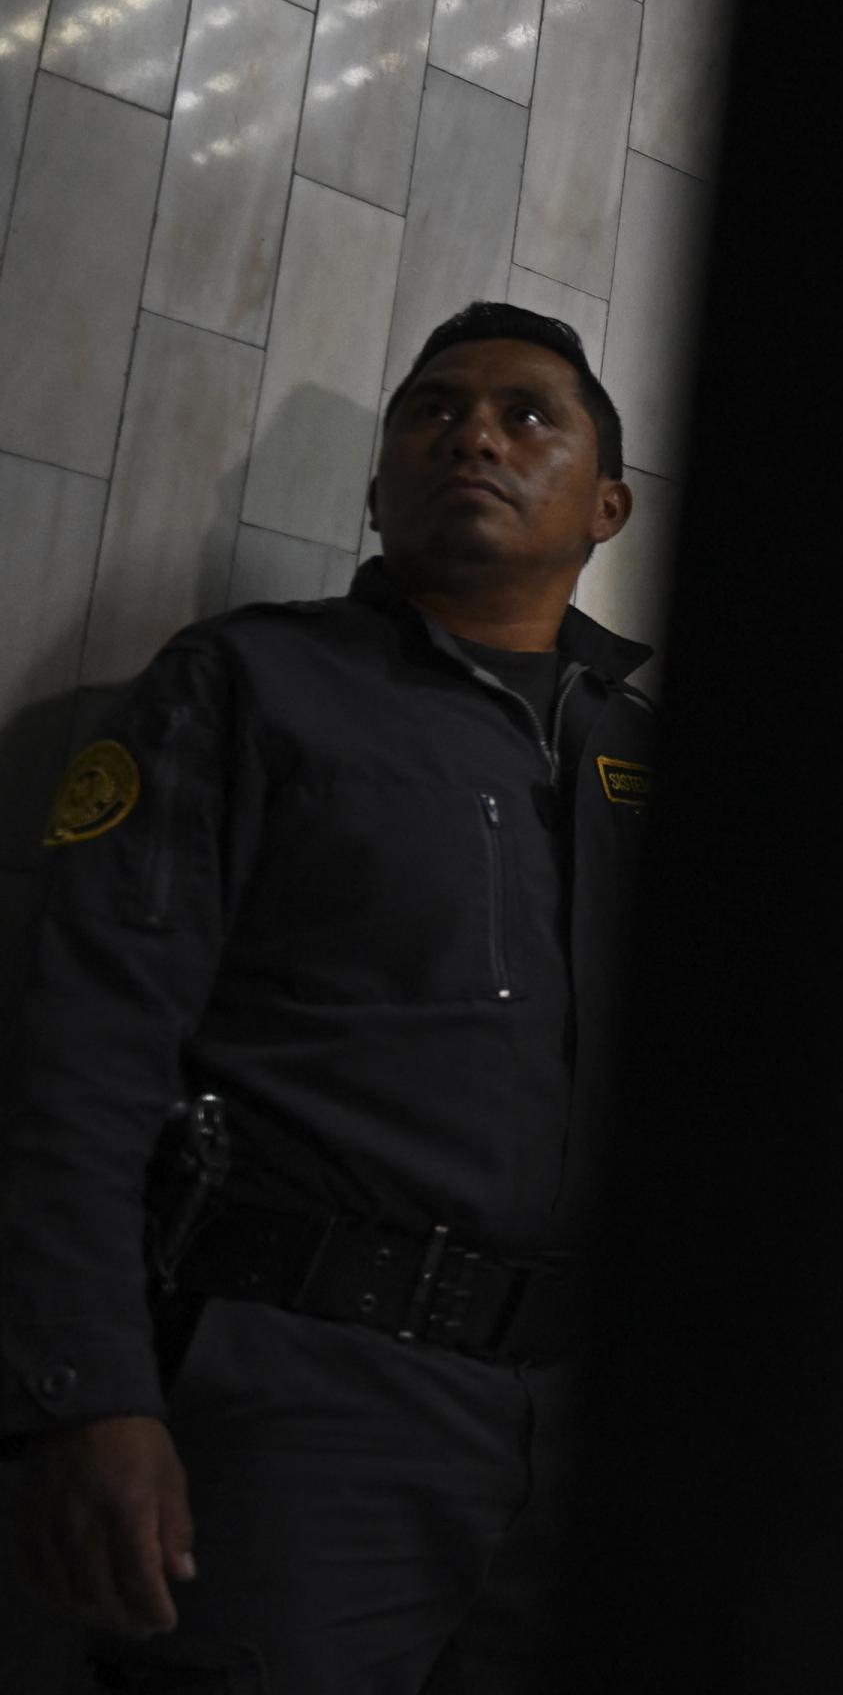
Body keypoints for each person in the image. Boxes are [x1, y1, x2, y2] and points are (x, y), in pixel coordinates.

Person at [3, 301, 656, 1690]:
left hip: (599, 1432)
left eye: (529, 414)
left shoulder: (658, 764)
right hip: (306, 1411)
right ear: (378, 488)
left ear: (609, 503)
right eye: (434, 410)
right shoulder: (251, 686)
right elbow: (79, 1049)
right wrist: (86, 1393)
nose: (474, 431)